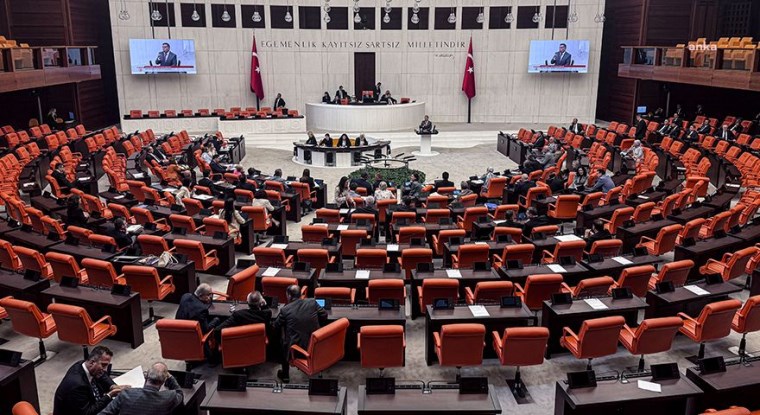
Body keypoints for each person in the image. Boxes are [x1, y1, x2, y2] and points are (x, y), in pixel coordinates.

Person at [272, 284, 328, 382]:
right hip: (315, 345)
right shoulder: (312, 302)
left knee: (283, 342)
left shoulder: (285, 310)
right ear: (300, 294)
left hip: (296, 350)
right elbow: (324, 315)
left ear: (289, 295)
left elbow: (275, 326)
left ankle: (285, 375)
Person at [53, 346, 126, 415]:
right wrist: (109, 395)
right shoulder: (78, 385)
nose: (105, 370)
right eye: (103, 365)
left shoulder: (84, 364)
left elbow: (103, 376)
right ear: (92, 362)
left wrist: (112, 386)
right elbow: (88, 413)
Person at [98, 362, 183, 415]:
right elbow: (179, 393)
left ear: (146, 376)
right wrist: (169, 377)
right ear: (163, 381)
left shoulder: (126, 394)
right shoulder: (169, 397)